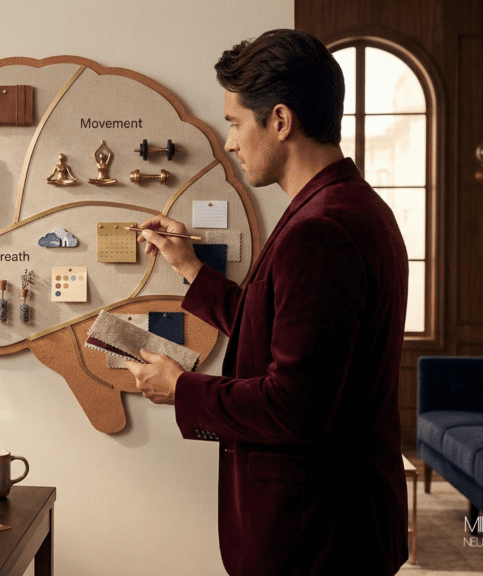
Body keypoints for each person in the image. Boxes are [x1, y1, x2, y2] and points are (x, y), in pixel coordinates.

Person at [126, 29, 410, 575]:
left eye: (235, 122)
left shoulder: (320, 231)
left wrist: (181, 388)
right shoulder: (350, 207)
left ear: (280, 120)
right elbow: (279, 331)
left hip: (314, 537)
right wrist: (189, 267)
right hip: (338, 526)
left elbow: (295, 405)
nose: (230, 142)